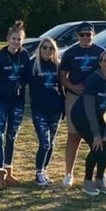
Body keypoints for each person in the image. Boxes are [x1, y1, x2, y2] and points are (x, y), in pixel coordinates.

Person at [70, 50, 106, 196]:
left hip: (98, 116)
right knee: (97, 146)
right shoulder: (93, 79)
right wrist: (96, 134)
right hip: (81, 116)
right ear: (100, 63)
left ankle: (100, 179)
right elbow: (88, 108)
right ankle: (87, 181)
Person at [59, 22, 106, 188]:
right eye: (82, 35)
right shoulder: (71, 52)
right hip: (74, 95)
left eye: (89, 34)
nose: (86, 37)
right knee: (73, 136)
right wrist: (71, 87)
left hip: (94, 98)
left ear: (93, 35)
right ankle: (68, 173)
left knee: (97, 135)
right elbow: (62, 75)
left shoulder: (101, 52)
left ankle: (101, 172)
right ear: (77, 35)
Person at [0, 21, 30, 191]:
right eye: (13, 39)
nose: (16, 42)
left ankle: (8, 171)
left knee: (12, 137)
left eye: (19, 39)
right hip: (0, 103)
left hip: (17, 103)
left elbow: (27, 76)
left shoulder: (25, 56)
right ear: (7, 39)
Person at [26, 38, 64, 187]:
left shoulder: (57, 66)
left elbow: (62, 87)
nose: (47, 51)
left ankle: (44, 170)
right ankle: (39, 172)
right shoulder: (32, 65)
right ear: (39, 49)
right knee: (44, 143)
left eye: (51, 48)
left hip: (55, 109)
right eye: (45, 48)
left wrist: (64, 107)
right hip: (39, 109)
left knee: (52, 142)